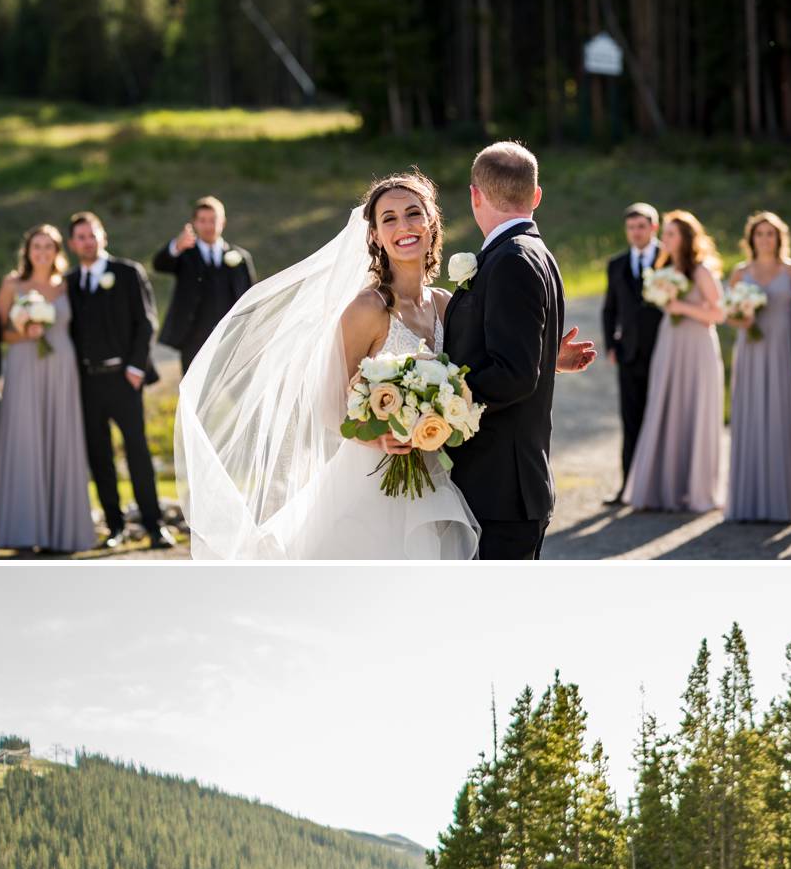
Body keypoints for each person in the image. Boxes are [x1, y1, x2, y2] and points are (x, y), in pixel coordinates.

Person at [179, 172, 476, 558]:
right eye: (388, 218)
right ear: (374, 236)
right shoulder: (366, 309)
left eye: (413, 214)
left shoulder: (443, 304)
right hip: (371, 482)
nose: (403, 226)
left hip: (434, 475)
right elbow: (329, 405)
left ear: (431, 222)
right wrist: (378, 437)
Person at [443, 140, 594, 557]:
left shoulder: (511, 259)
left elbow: (513, 375)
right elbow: (523, 359)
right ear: (537, 196)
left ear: (475, 195)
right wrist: (548, 362)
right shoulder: (535, 252)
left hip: (500, 490)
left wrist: (437, 399)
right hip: (505, 486)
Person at [63, 212, 173, 550]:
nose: (87, 241)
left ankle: (155, 526)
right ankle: (115, 527)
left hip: (125, 380)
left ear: (103, 237)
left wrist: (136, 368)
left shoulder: (127, 273)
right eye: (80, 237)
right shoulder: (68, 283)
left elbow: (147, 322)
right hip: (87, 383)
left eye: (92, 235)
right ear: (71, 244)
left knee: (137, 453)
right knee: (100, 457)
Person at [0, 224, 97, 557]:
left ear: (57, 251)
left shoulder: (68, 286)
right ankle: (23, 530)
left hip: (61, 369)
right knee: (24, 438)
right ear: (27, 251)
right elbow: (1, 333)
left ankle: (61, 533)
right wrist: (25, 332)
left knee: (59, 440)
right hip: (23, 367)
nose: (42, 252)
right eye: (37, 246)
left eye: (48, 246)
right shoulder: (12, 284)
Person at [622, 209, 727, 514]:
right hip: (670, 343)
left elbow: (718, 314)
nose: (664, 238)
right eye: (664, 232)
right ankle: (664, 487)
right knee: (667, 407)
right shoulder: (662, 268)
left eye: (670, 233)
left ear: (685, 238)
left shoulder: (701, 271)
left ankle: (696, 489)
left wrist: (680, 305)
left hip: (697, 346)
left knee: (695, 409)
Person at [723, 210, 791, 524]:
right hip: (751, 350)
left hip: (783, 351)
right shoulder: (740, 272)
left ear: (780, 237)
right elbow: (728, 314)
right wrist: (740, 317)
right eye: (759, 234)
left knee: (780, 417)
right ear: (751, 239)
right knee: (749, 416)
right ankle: (746, 502)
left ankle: (779, 503)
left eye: (771, 233)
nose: (765, 239)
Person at [153, 196, 257, 377]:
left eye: (213, 220)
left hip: (231, 339)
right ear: (194, 223)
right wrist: (176, 246)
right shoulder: (184, 254)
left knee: (237, 396)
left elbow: (252, 298)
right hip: (193, 340)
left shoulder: (240, 257)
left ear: (222, 222)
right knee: (195, 398)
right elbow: (159, 264)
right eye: (202, 221)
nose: (208, 226)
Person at [602, 203, 664, 500]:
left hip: (664, 352)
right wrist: (611, 345)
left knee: (663, 418)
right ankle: (629, 486)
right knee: (631, 420)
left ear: (654, 228)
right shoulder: (616, 264)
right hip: (629, 355)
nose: (636, 232)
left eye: (642, 226)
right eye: (631, 227)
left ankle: (661, 486)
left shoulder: (670, 260)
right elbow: (610, 308)